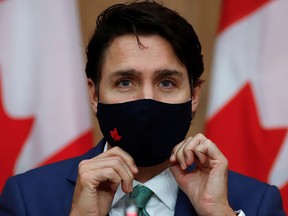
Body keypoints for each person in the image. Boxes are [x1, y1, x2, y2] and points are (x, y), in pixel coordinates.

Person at [0, 1, 285, 216]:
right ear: (94, 94)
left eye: (167, 82)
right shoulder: (27, 198)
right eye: (125, 82)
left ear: (194, 94)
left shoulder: (255, 203)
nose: (147, 100)